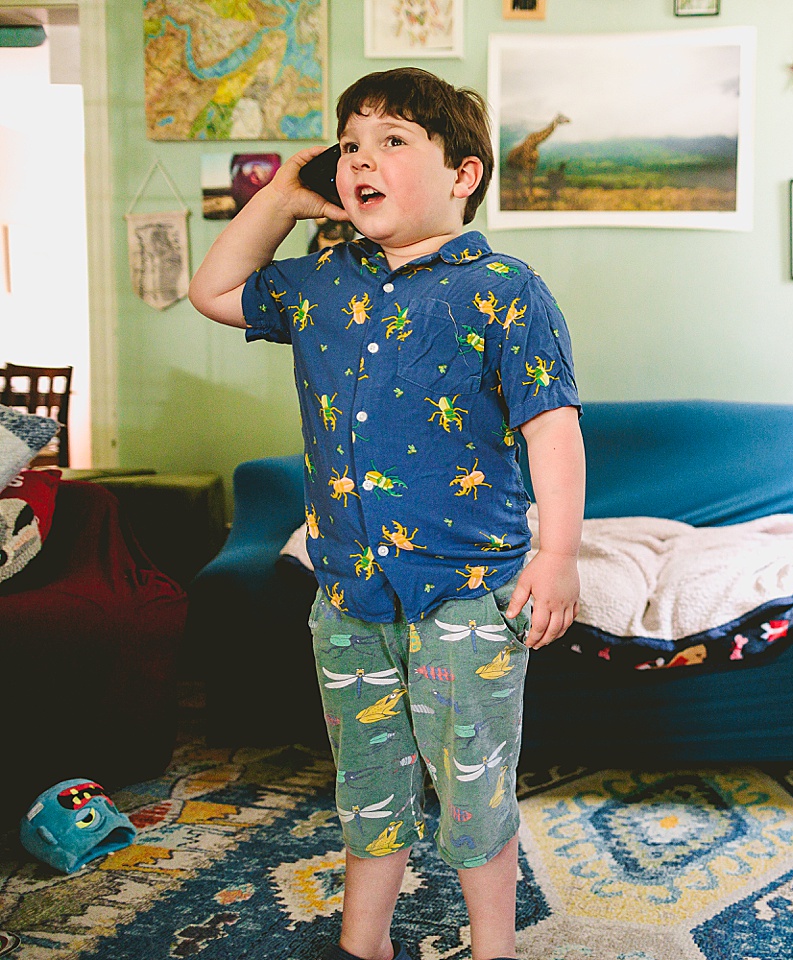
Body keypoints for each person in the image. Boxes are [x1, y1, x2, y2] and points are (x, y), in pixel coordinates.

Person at [188, 67, 585, 960]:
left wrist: (556, 554)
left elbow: (553, 429)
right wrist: (283, 198)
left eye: (395, 140)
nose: (364, 158)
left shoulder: (504, 290)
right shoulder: (321, 283)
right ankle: (360, 944)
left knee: (474, 790)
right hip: (346, 596)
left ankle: (496, 949)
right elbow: (213, 291)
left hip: (467, 596)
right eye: (353, 144)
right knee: (367, 788)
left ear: (463, 175)